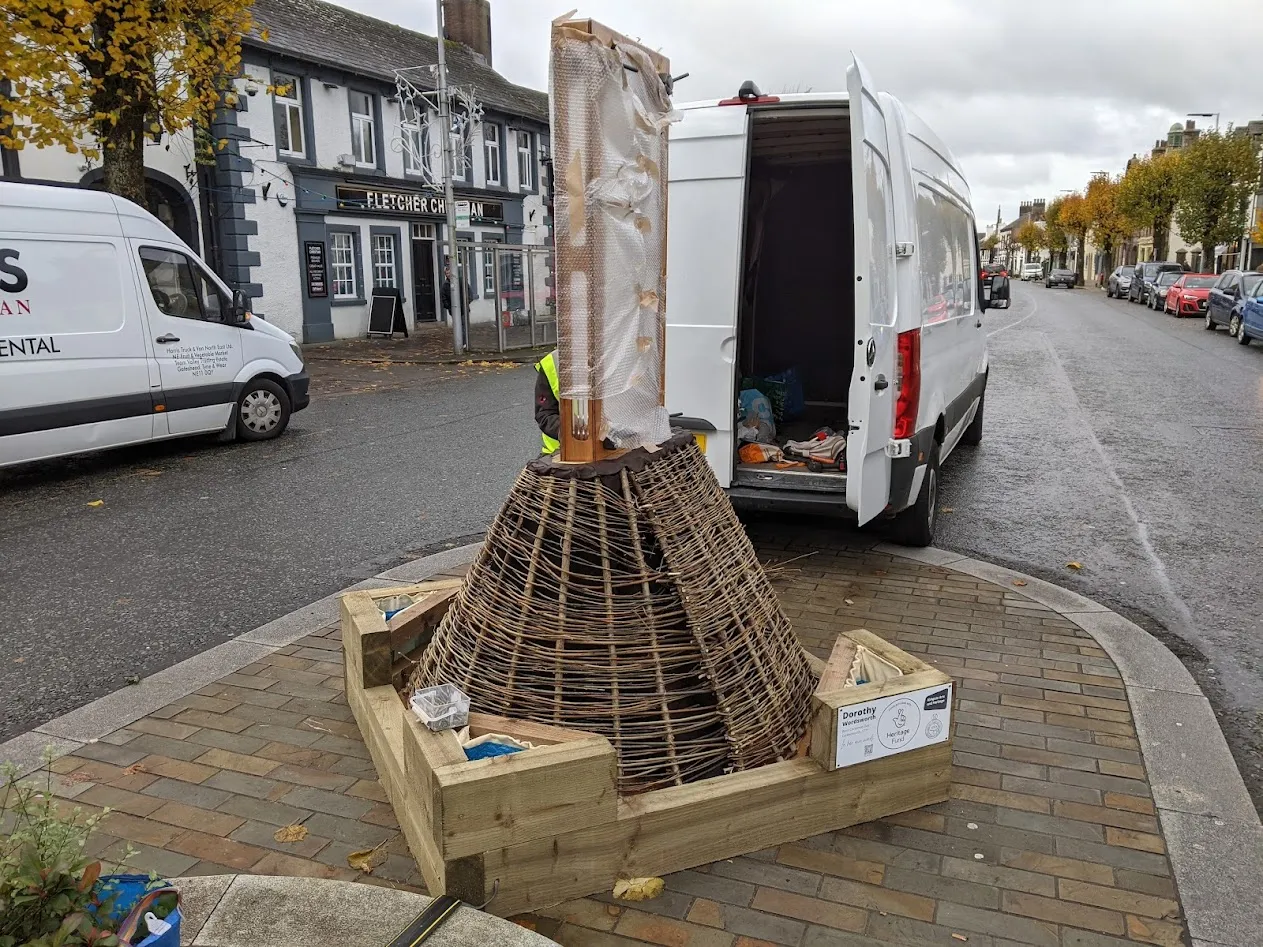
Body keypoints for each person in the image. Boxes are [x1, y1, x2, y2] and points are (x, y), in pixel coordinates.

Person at [534, 348, 561, 455]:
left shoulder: (615, 358)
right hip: (558, 452)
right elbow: (545, 414)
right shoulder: (553, 362)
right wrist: (571, 434)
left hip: (612, 452)